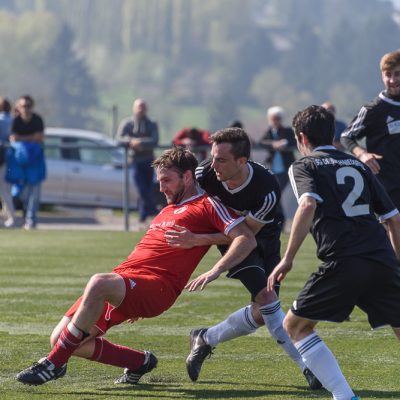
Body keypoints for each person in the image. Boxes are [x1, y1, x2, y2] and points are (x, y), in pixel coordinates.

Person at [16, 146, 257, 386]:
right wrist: (126, 294)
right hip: (127, 283)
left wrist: (213, 266)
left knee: (98, 283)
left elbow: (245, 236)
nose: (161, 188)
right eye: (159, 181)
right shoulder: (166, 210)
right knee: (60, 338)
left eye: (166, 180)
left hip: (157, 287)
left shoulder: (206, 205)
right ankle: (139, 362)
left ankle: (53, 364)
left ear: (187, 176)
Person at [165, 128, 321, 389]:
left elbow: (246, 235)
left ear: (242, 161)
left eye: (221, 160)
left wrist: (198, 241)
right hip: (233, 241)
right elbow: (184, 201)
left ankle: (206, 338)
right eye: (213, 157)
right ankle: (309, 368)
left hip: (264, 239)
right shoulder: (205, 174)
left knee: (262, 312)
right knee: (269, 301)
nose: (213, 165)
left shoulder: (267, 188)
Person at [267, 105, 400, 400]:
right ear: (334, 134)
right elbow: (393, 218)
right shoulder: (359, 165)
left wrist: (287, 258)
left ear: (301, 138)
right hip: (381, 257)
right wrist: (396, 264)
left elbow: (307, 204)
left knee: (295, 325)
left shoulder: (304, 165)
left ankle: (345, 396)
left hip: (344, 261)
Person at [341, 49, 400, 210]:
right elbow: (347, 136)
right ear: (382, 76)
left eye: (397, 74)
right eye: (388, 75)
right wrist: (362, 154)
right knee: (393, 229)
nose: (393, 80)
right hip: (388, 183)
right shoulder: (374, 109)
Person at [116, 98, 159, 223]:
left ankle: (143, 216)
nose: (141, 109)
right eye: (138, 107)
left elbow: (154, 140)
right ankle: (152, 210)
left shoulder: (152, 123)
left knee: (148, 187)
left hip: (149, 160)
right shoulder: (127, 123)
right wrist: (130, 142)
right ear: (134, 108)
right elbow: (118, 139)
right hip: (135, 160)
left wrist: (141, 143)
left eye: (143, 107)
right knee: (141, 188)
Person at [10, 95, 45, 230]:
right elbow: (13, 138)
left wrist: (22, 138)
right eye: (23, 106)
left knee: (35, 190)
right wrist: (30, 138)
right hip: (19, 160)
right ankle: (25, 215)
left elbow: (39, 137)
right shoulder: (16, 121)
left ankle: (31, 219)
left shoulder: (37, 120)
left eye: (28, 106)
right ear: (18, 107)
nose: (26, 109)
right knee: (20, 191)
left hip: (35, 159)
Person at [259, 106, 297, 228]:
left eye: (277, 118)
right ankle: (279, 220)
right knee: (274, 194)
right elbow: (262, 142)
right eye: (273, 118)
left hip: (284, 169)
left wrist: (283, 144)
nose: (275, 121)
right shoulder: (269, 132)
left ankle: (280, 220)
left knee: (276, 193)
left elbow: (294, 142)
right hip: (272, 169)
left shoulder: (287, 131)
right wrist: (273, 144)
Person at [0, 97, 16, 228]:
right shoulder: (13, 119)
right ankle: (10, 216)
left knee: (3, 190)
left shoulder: (1, 120)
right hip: (9, 158)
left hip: (2, 157)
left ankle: (10, 217)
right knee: (6, 189)